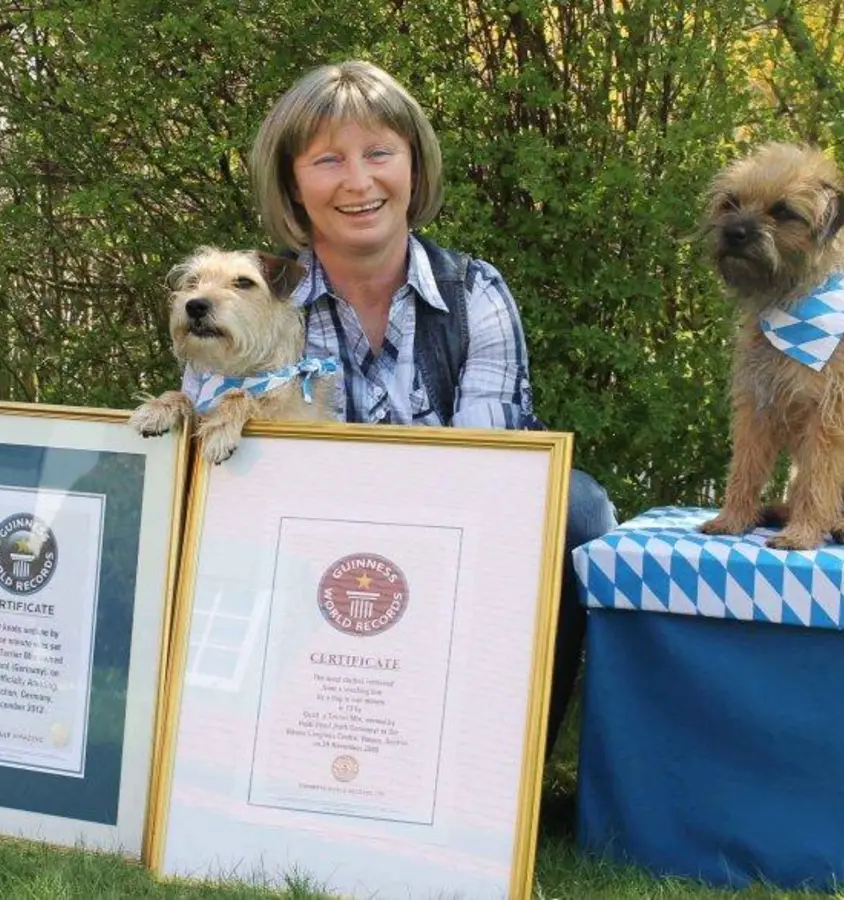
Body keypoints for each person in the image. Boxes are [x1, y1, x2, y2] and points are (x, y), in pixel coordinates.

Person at [232, 59, 617, 755]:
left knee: (577, 509)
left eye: (379, 152)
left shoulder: (476, 293)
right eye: (327, 160)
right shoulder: (250, 293)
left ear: (414, 165)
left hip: (454, 546)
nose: (358, 181)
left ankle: (506, 767)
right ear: (292, 181)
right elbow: (233, 469)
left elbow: (493, 482)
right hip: (297, 551)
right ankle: (256, 748)